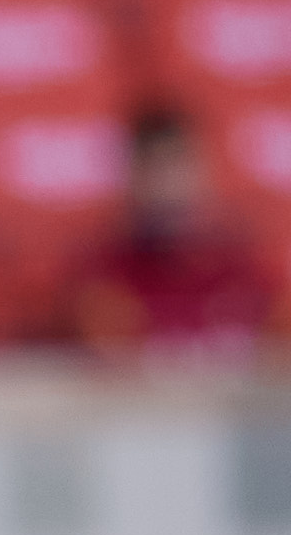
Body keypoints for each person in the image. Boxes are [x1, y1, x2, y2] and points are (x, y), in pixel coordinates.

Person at [71, 106, 276, 361]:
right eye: (153, 169)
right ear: (131, 178)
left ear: (204, 171)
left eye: (176, 166)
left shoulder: (247, 276)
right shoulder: (104, 282)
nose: (166, 187)